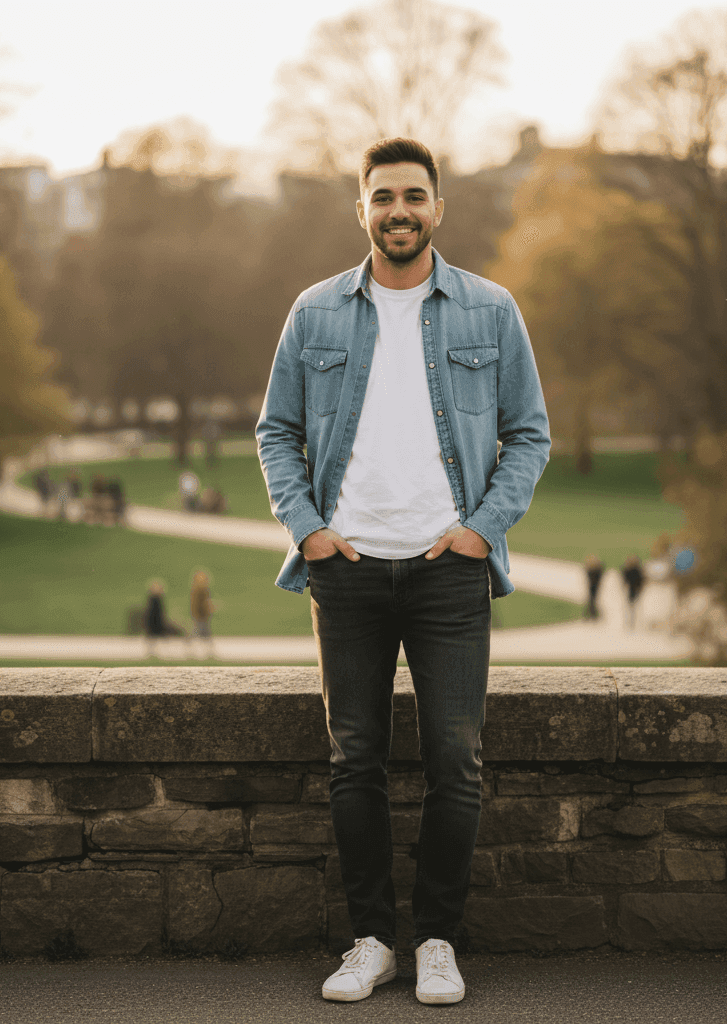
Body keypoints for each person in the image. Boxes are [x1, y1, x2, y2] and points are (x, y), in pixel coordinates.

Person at [255, 137, 550, 1006]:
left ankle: (438, 943)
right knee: (356, 760)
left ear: (438, 208)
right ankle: (371, 939)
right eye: (382, 197)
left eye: (414, 196)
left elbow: (529, 433)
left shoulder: (490, 310)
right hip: (345, 570)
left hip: (447, 571)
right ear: (361, 210)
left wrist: (480, 530)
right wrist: (308, 530)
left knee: (456, 760)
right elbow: (277, 430)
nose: (399, 211)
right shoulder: (314, 312)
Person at [143, 579, 184, 658]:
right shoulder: (154, 601)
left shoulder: (156, 600)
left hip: (156, 626)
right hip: (156, 626)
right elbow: (155, 616)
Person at [188, 569, 215, 658]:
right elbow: (197, 604)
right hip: (200, 615)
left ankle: (207, 650)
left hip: (203, 615)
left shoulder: (203, 590)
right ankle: (193, 649)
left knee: (203, 632)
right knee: (201, 632)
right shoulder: (198, 590)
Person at [622, 554, 645, 629]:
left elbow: (625, 581)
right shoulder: (635, 570)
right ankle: (631, 622)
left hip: (633, 589)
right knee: (632, 607)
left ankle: (632, 622)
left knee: (632, 607)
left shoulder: (631, 570)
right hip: (633, 589)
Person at [584, 555, 604, 620]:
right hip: (593, 586)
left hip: (594, 586)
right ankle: (591, 614)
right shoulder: (593, 571)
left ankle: (590, 614)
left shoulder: (594, 571)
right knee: (592, 600)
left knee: (592, 600)